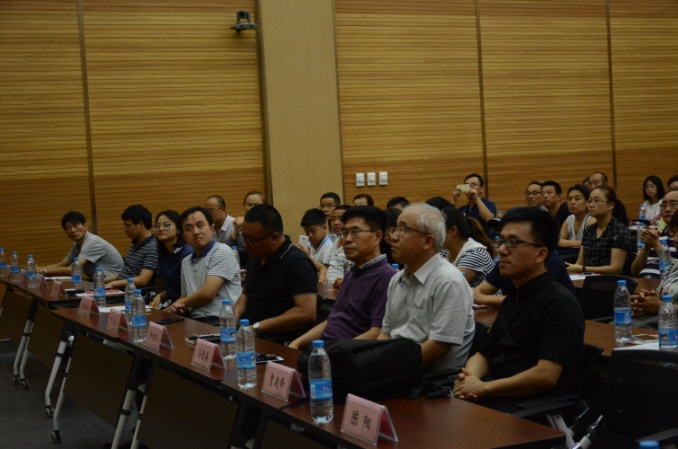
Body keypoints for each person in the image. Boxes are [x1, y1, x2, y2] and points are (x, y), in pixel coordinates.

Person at [453, 207, 584, 411]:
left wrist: (483, 388)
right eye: (501, 241)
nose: (502, 250)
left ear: (540, 254)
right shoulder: (514, 297)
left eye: (513, 242)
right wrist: (470, 380)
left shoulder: (559, 303)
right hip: (490, 395)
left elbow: (545, 376)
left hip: (528, 408)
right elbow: (484, 354)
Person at [378, 203, 475, 372]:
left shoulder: (448, 281)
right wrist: (375, 363)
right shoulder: (396, 279)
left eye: (403, 229)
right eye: (394, 229)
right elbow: (386, 333)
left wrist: (390, 370)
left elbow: (438, 346)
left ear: (427, 241)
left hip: (431, 377)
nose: (393, 237)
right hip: (396, 368)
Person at [289, 206, 397, 349]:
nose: (347, 239)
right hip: (328, 350)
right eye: (345, 233)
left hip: (349, 354)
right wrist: (296, 343)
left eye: (355, 232)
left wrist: (336, 351)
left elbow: (377, 333)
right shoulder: (353, 272)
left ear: (377, 236)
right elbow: (331, 321)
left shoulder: (387, 277)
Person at [234, 204, 318, 343]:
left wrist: (258, 327)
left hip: (278, 343)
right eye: (244, 237)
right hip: (249, 337)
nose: (245, 245)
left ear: (274, 238)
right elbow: (246, 293)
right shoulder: (255, 255)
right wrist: (233, 318)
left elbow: (307, 312)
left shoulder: (297, 262)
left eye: (250, 240)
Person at [165, 206, 241, 323]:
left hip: (221, 320)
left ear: (212, 228)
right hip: (195, 321)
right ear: (183, 236)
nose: (196, 232)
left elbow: (207, 293)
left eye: (200, 225)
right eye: (189, 228)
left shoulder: (221, 251)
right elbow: (186, 296)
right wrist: (168, 311)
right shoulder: (186, 261)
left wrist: (180, 303)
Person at [566, 186, 632, 275]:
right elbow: (579, 263)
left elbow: (615, 269)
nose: (591, 205)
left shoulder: (619, 230)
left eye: (596, 201)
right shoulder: (589, 230)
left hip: (611, 280)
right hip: (586, 278)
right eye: (589, 201)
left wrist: (583, 269)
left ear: (611, 205)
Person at [37, 211, 124, 279]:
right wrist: (39, 269)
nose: (73, 230)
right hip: (99, 282)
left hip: (114, 284)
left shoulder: (92, 242)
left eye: (75, 225)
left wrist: (43, 271)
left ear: (85, 226)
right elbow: (62, 265)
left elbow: (72, 270)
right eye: (68, 227)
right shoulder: (77, 243)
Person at [632, 211, 678, 327]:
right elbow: (665, 295)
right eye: (675, 232)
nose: (675, 239)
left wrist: (660, 306)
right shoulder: (675, 266)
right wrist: (649, 300)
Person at [104, 205, 158, 289]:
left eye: (128, 225)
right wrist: (100, 281)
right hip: (119, 289)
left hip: (132, 293)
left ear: (140, 224)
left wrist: (114, 284)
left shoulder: (152, 247)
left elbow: (143, 280)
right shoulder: (135, 242)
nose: (125, 229)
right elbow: (125, 273)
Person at [442, 206, 495, 288]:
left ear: (453, 231)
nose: (432, 234)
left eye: (437, 229)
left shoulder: (475, 254)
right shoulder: (445, 251)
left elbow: (448, 286)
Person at [149, 210, 192, 309]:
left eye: (166, 225)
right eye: (158, 226)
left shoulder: (187, 253)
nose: (161, 229)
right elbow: (174, 288)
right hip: (173, 303)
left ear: (178, 229)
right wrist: (160, 296)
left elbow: (189, 291)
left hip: (188, 306)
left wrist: (167, 311)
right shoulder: (163, 253)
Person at [631, 188, 678, 278]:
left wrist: (656, 245)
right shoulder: (657, 235)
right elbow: (635, 272)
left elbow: (675, 273)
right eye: (663, 205)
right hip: (643, 283)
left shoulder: (674, 240)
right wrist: (647, 246)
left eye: (673, 204)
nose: (667, 209)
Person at [229, 191, 265, 267]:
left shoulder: (267, 224)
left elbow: (253, 249)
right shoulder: (240, 222)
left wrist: (243, 229)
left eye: (257, 205)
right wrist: (236, 231)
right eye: (249, 205)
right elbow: (231, 249)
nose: (253, 208)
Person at [297, 208, 333, 277]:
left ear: (324, 228)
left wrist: (308, 257)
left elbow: (327, 270)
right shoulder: (308, 245)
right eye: (307, 232)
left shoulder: (329, 246)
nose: (310, 235)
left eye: (313, 231)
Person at [324, 205, 352, 286]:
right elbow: (326, 266)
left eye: (341, 219)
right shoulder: (335, 242)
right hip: (329, 288)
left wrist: (345, 281)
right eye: (333, 219)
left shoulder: (354, 245)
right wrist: (323, 276)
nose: (336, 223)